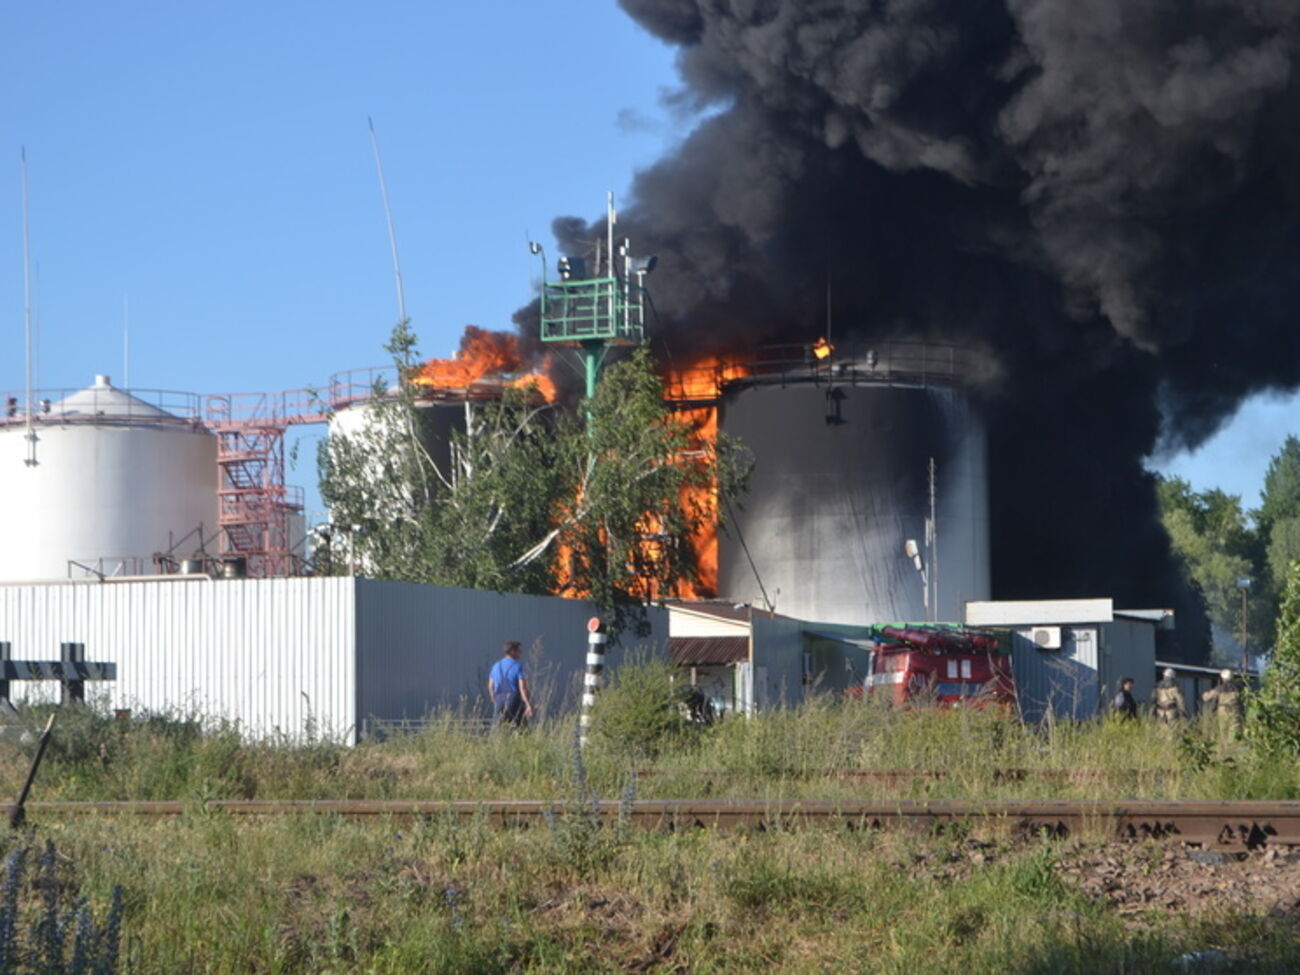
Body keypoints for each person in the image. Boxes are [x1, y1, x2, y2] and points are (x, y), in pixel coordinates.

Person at [487, 640, 532, 727]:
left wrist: (494, 699)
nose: (520, 653)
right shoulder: (518, 666)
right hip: (513, 699)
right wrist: (527, 704)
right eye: (518, 651)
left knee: (498, 728)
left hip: (499, 699)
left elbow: (490, 686)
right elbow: (522, 688)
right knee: (520, 728)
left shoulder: (496, 666)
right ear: (512, 652)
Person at [1201, 668, 1243, 744]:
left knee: (1223, 732)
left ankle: (1225, 747)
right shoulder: (1238, 689)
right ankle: (1233, 746)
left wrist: (1204, 694)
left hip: (1223, 711)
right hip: (1235, 711)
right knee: (1234, 732)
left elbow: (1206, 697)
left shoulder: (1219, 689)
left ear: (1222, 678)